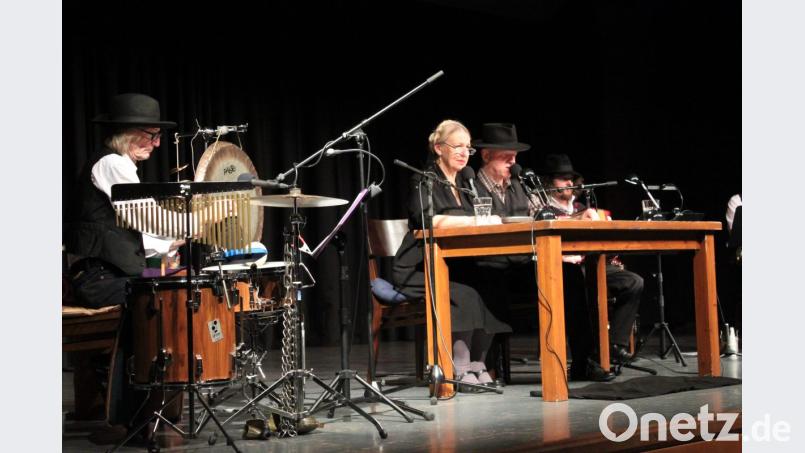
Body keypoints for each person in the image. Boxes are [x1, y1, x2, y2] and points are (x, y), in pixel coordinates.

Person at [64, 93, 181, 428]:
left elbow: (136, 234)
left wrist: (172, 241)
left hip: (105, 274)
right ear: (129, 134)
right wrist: (196, 224)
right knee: (156, 301)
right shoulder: (112, 164)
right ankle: (133, 412)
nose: (157, 144)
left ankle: (141, 407)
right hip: (97, 280)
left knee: (163, 289)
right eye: (152, 135)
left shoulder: (115, 164)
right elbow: (148, 217)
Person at [471, 123, 614, 382]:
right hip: (488, 263)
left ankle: (583, 361)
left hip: (521, 263)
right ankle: (492, 366)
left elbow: (544, 216)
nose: (513, 160)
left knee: (569, 275)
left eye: (515, 155)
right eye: (506, 155)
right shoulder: (472, 185)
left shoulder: (519, 185)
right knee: (489, 280)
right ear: (487, 155)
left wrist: (579, 218)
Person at [392, 119, 512, 390]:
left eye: (467, 148)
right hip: (418, 265)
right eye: (457, 146)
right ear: (438, 148)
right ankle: (459, 367)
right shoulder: (423, 179)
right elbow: (427, 220)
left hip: (456, 262)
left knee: (492, 284)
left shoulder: (467, 183)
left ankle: (479, 364)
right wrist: (473, 221)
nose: (463, 153)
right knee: (464, 293)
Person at [539, 153, 644, 364]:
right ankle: (588, 356)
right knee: (579, 284)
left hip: (590, 264)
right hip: (561, 268)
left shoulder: (582, 208)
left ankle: (615, 344)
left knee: (633, 282)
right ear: (549, 182)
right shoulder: (541, 207)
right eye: (563, 178)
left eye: (571, 178)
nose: (569, 182)